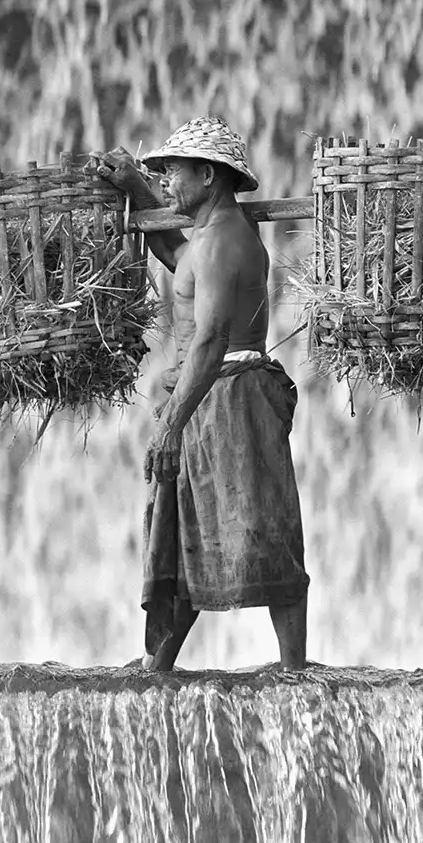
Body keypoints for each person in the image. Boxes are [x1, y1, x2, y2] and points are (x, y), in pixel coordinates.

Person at [97, 116, 309, 673]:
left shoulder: (221, 243)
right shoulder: (213, 238)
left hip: (229, 399)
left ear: (209, 176)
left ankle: (294, 669)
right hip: (209, 399)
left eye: (173, 173)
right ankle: (157, 665)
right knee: (186, 530)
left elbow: (211, 341)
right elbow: (182, 264)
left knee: (263, 527)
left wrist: (170, 427)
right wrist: (139, 192)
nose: (166, 181)